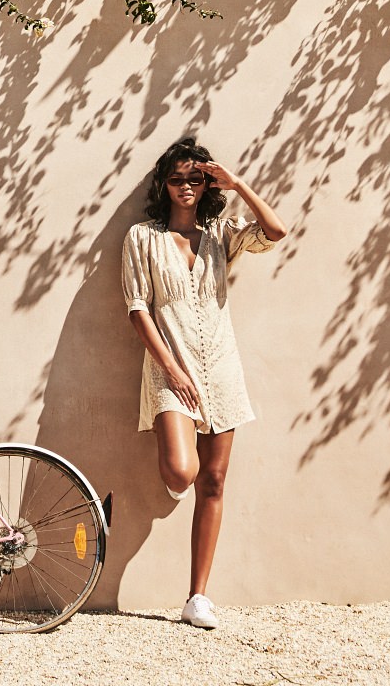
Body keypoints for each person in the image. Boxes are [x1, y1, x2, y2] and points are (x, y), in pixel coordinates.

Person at [121, 133, 287, 630]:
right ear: (164, 185)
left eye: (195, 178)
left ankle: (197, 597)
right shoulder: (143, 238)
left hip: (221, 370)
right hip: (171, 372)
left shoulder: (220, 234)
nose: (186, 186)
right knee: (181, 473)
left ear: (207, 183)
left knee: (213, 482)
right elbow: (138, 309)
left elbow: (276, 231)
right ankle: (176, 473)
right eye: (177, 178)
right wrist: (172, 369)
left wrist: (236, 184)